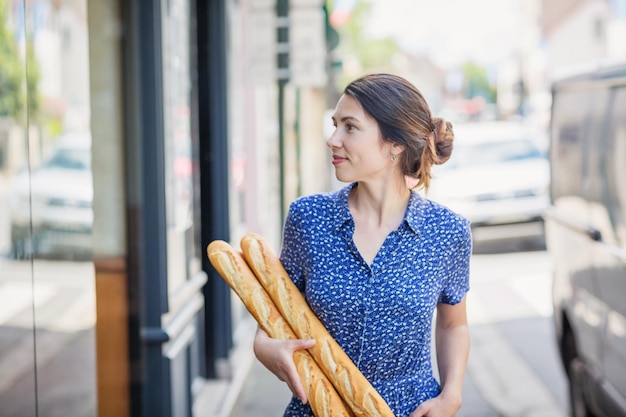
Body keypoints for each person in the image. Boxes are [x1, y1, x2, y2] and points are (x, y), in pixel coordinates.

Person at [254, 73, 472, 417]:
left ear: (395, 144)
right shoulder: (308, 218)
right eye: (334, 125)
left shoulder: (446, 231)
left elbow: (452, 323)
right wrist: (265, 348)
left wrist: (451, 394)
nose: (333, 139)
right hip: (319, 408)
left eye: (350, 127)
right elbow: (271, 317)